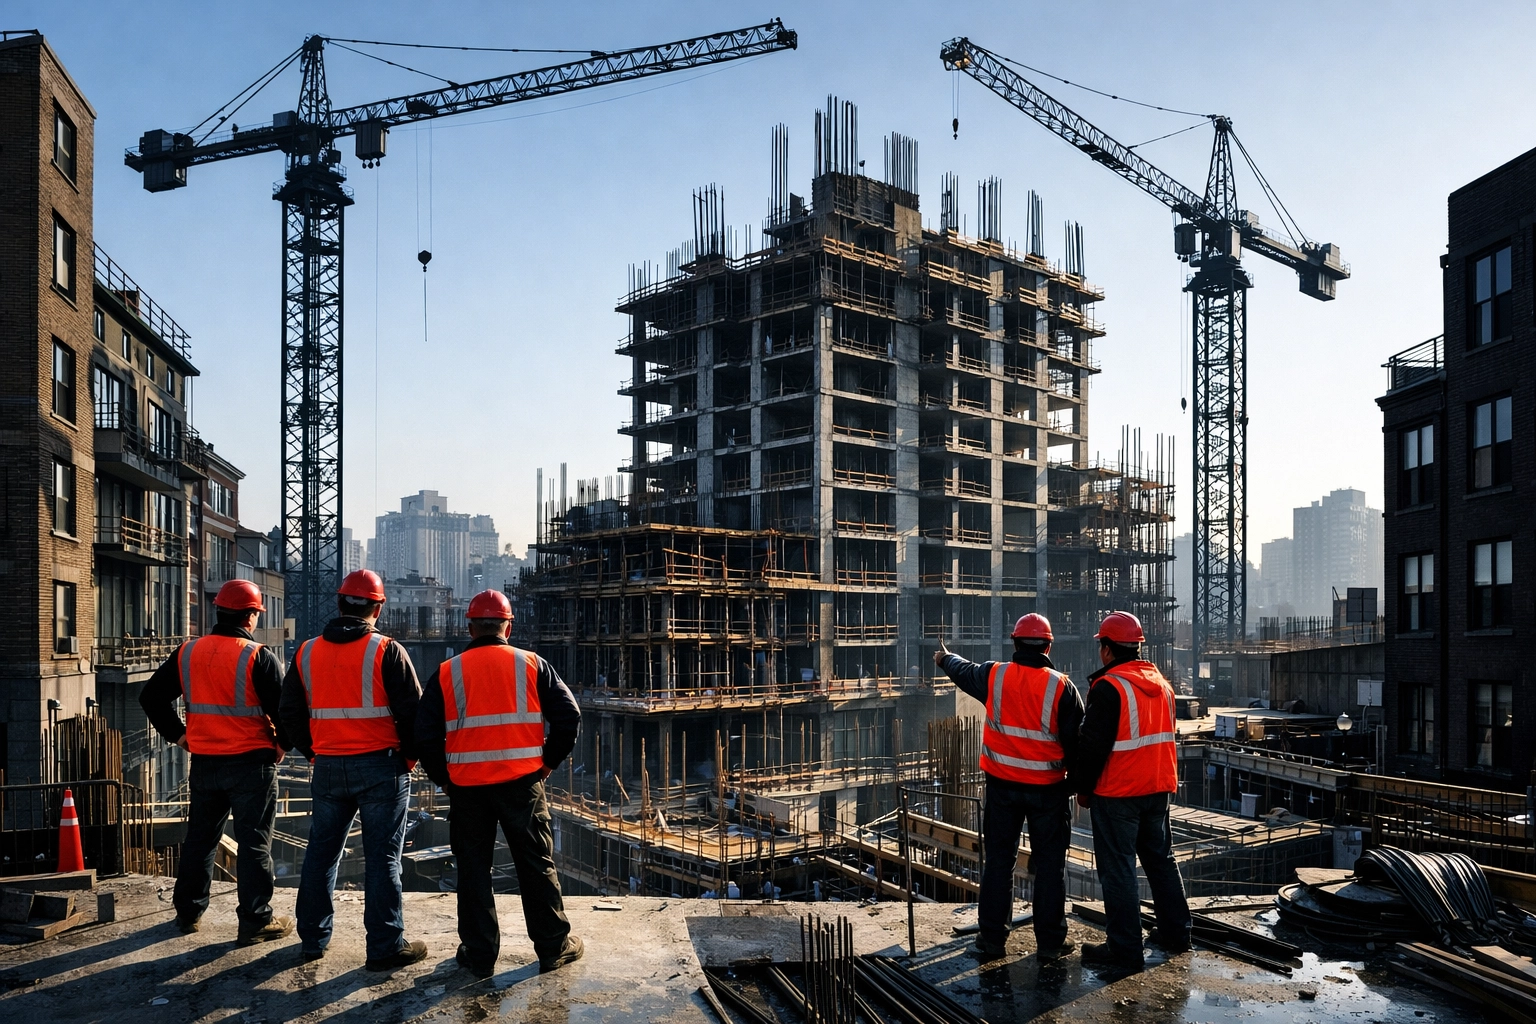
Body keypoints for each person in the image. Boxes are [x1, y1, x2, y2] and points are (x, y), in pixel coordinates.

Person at [415, 589, 583, 977]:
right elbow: (569, 717)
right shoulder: (532, 664)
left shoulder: (447, 672)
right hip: (522, 784)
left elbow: (423, 736)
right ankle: (553, 946)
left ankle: (479, 954)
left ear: (470, 626)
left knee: (473, 870)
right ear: (508, 625)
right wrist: (547, 763)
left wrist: (445, 778)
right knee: (535, 864)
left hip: (468, 789)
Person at [281, 569, 427, 971]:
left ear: (340, 603)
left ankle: (312, 939)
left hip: (328, 767)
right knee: (383, 860)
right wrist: (408, 759)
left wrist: (314, 753)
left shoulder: (307, 652)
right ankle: (384, 946)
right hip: (381, 768)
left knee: (321, 854)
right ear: (377, 607)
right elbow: (413, 715)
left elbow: (288, 713)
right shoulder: (387, 650)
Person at [139, 579, 293, 944]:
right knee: (254, 842)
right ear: (251, 616)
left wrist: (179, 735)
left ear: (219, 611)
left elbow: (151, 697)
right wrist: (283, 744)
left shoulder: (188, 652)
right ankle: (255, 921)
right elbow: (287, 711)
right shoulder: (257, 656)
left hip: (206, 764)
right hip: (251, 764)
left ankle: (188, 912)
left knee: (200, 840)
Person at [933, 614, 1083, 961]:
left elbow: (963, 670)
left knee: (999, 863)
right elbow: (1077, 746)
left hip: (1002, 789)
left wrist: (943, 658)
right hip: (1048, 791)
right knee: (1049, 866)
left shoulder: (995, 675)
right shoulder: (1062, 687)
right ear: (1048, 646)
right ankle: (1049, 943)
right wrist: (1075, 788)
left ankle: (991, 941)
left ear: (1015, 643)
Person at [1073, 611, 1191, 972]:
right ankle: (1176, 932)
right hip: (1158, 788)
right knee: (1160, 860)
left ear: (1107, 649)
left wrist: (1083, 788)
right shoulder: (1162, 684)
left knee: (1119, 868)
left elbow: (1092, 747)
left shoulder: (1109, 687)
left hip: (1120, 792)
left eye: (1101, 647)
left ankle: (1124, 948)